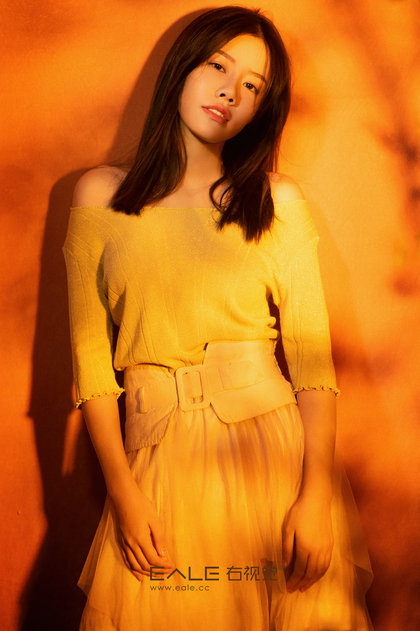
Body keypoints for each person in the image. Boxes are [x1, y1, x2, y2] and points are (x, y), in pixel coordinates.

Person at [63, 6, 373, 630]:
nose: (231, 91)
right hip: (159, 463)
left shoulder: (277, 202)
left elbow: (313, 365)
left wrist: (315, 496)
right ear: (183, 68)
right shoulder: (99, 196)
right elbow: (91, 366)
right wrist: (122, 492)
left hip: (271, 457)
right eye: (218, 66)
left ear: (261, 109)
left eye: (253, 85)